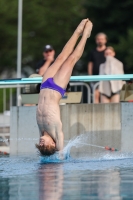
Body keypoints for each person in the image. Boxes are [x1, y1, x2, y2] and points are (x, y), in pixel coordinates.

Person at [36, 19, 93, 156]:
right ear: (53, 144)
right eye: (45, 146)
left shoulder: (41, 131)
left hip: (44, 85)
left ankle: (77, 31)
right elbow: (60, 153)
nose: (41, 143)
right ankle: (85, 35)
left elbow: (42, 153)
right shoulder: (56, 132)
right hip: (56, 87)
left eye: (40, 145)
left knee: (60, 57)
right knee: (71, 59)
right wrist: (60, 156)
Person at [88, 33, 107, 103]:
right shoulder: (93, 52)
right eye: (98, 39)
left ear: (105, 40)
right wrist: (90, 76)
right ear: (96, 40)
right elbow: (90, 63)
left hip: (105, 76)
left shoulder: (108, 51)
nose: (100, 41)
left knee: (104, 94)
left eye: (102, 39)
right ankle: (96, 110)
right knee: (96, 94)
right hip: (95, 76)